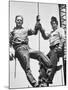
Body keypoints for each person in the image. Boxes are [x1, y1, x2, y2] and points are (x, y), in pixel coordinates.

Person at [10, 15, 53, 87]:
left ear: (22, 21)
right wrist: (10, 51)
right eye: (18, 20)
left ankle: (49, 68)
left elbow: (34, 32)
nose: (19, 21)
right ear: (15, 21)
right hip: (19, 48)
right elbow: (9, 43)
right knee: (27, 67)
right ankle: (35, 84)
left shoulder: (26, 29)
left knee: (40, 53)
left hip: (27, 48)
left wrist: (37, 23)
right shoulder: (12, 32)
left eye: (20, 20)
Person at [38, 16, 65, 86]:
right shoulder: (51, 33)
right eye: (52, 24)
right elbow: (45, 37)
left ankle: (49, 79)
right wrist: (41, 29)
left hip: (57, 48)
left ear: (57, 24)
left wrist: (60, 46)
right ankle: (44, 77)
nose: (53, 25)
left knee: (52, 62)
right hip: (51, 49)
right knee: (42, 60)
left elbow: (63, 38)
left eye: (54, 23)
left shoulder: (60, 30)